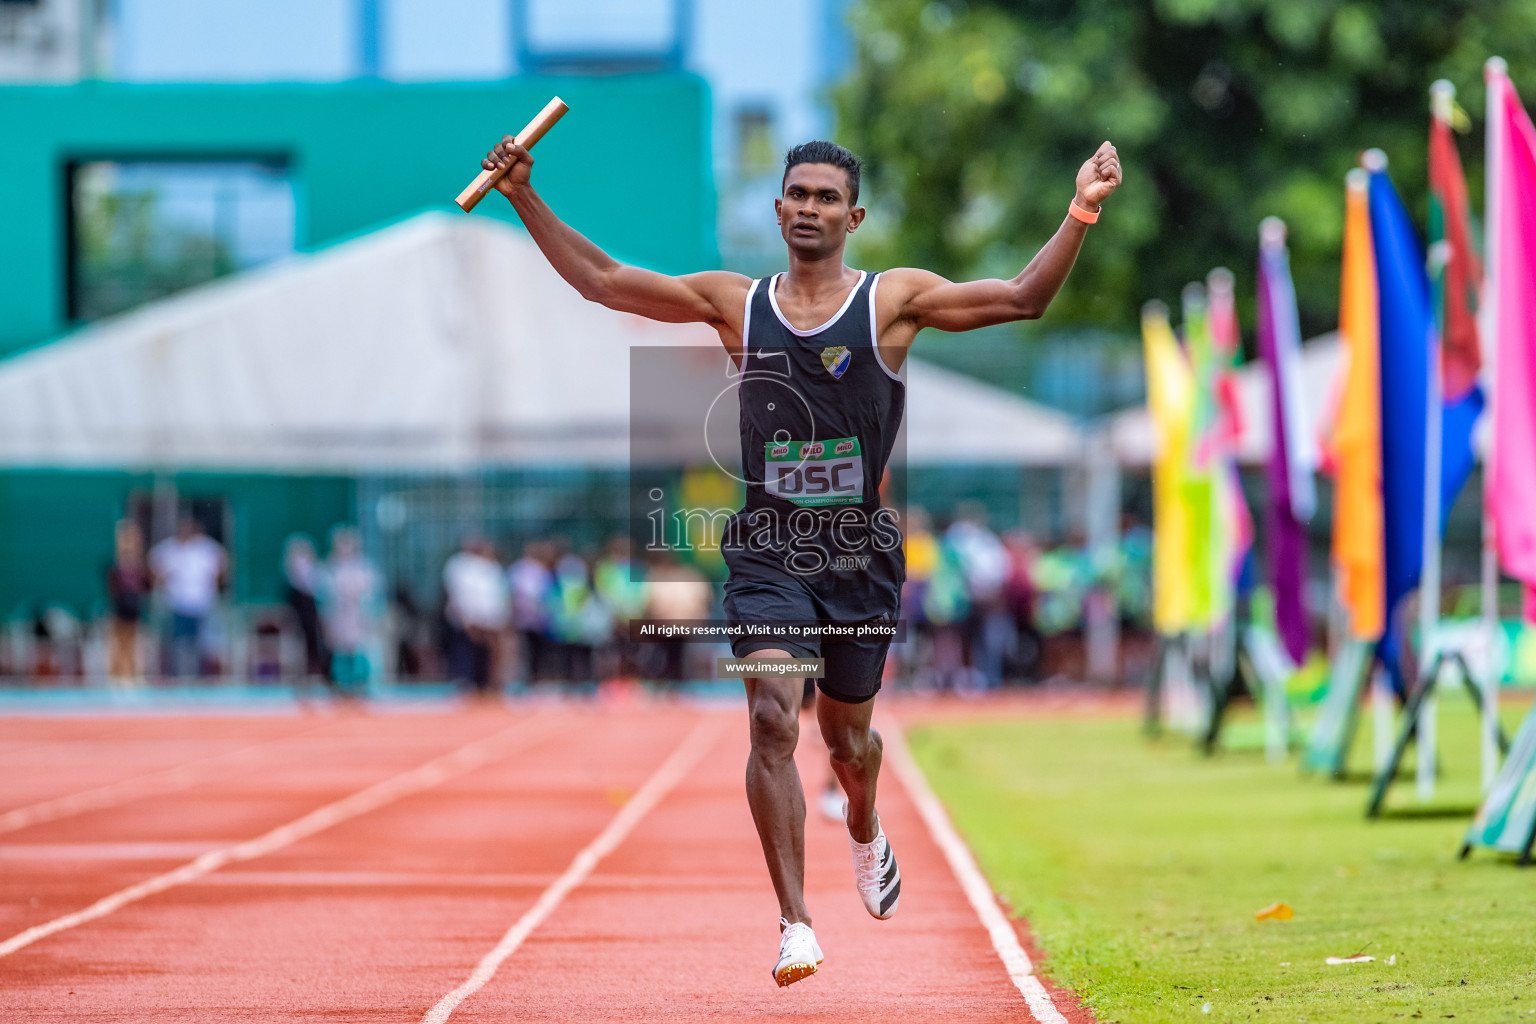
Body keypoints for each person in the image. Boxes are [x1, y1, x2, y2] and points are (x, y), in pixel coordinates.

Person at [481, 130, 1121, 985]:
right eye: (798, 195)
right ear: (778, 209)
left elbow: (1021, 297)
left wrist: (1081, 208)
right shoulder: (734, 302)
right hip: (768, 553)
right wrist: (524, 194)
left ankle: (862, 823)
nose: (810, 209)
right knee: (772, 719)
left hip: (859, 555)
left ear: (853, 217)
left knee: (848, 742)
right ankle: (795, 922)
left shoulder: (894, 301)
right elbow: (605, 284)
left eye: (828, 198)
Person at [149, 516, 228, 680]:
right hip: (176, 603)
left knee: (203, 644)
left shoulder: (208, 548)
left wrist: (216, 584)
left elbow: (223, 566)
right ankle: (172, 676)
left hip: (202, 603)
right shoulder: (170, 548)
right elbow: (153, 566)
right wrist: (163, 581)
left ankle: (202, 677)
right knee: (175, 643)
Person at [318, 526, 381, 697]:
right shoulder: (330, 569)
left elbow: (373, 595)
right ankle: (342, 685)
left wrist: (370, 615)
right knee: (340, 653)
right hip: (338, 618)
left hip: (359, 618)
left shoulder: (365, 568)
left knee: (360, 652)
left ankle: (361, 685)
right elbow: (324, 598)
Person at [442, 537, 509, 696]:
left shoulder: (492, 568)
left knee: (487, 655)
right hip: (469, 618)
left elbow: (499, 596)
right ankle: (465, 685)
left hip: (490, 620)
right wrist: (466, 617)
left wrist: (499, 619)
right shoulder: (460, 565)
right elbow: (460, 593)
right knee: (466, 652)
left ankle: (486, 686)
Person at [105, 520, 150, 686]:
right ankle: (116, 674)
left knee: (134, 642)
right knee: (119, 641)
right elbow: (112, 587)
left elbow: (146, 586)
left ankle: (132, 674)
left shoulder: (139, 566)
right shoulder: (117, 566)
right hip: (120, 606)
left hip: (134, 606)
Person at [282, 535, 329, 689]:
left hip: (314, 620)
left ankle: (319, 676)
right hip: (298, 621)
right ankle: (300, 679)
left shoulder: (317, 576)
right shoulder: (290, 581)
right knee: (297, 651)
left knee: (317, 648)